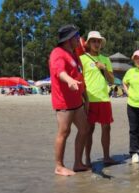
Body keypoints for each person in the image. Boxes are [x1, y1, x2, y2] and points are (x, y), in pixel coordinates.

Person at [49, 24, 89, 176]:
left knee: (84, 129)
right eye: (76, 37)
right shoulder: (57, 53)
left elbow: (83, 48)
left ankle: (78, 163)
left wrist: (84, 95)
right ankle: (59, 166)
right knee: (64, 132)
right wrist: (69, 80)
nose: (79, 39)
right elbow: (59, 71)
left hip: (76, 101)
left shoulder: (73, 53)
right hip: (64, 102)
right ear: (68, 39)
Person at [80, 31, 117, 167]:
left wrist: (104, 68)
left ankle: (106, 157)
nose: (96, 43)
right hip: (89, 99)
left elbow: (112, 80)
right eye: (93, 41)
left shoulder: (105, 59)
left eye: (98, 41)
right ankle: (88, 159)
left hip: (104, 99)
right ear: (88, 43)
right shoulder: (82, 59)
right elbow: (80, 80)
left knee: (106, 128)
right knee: (89, 130)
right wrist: (83, 99)